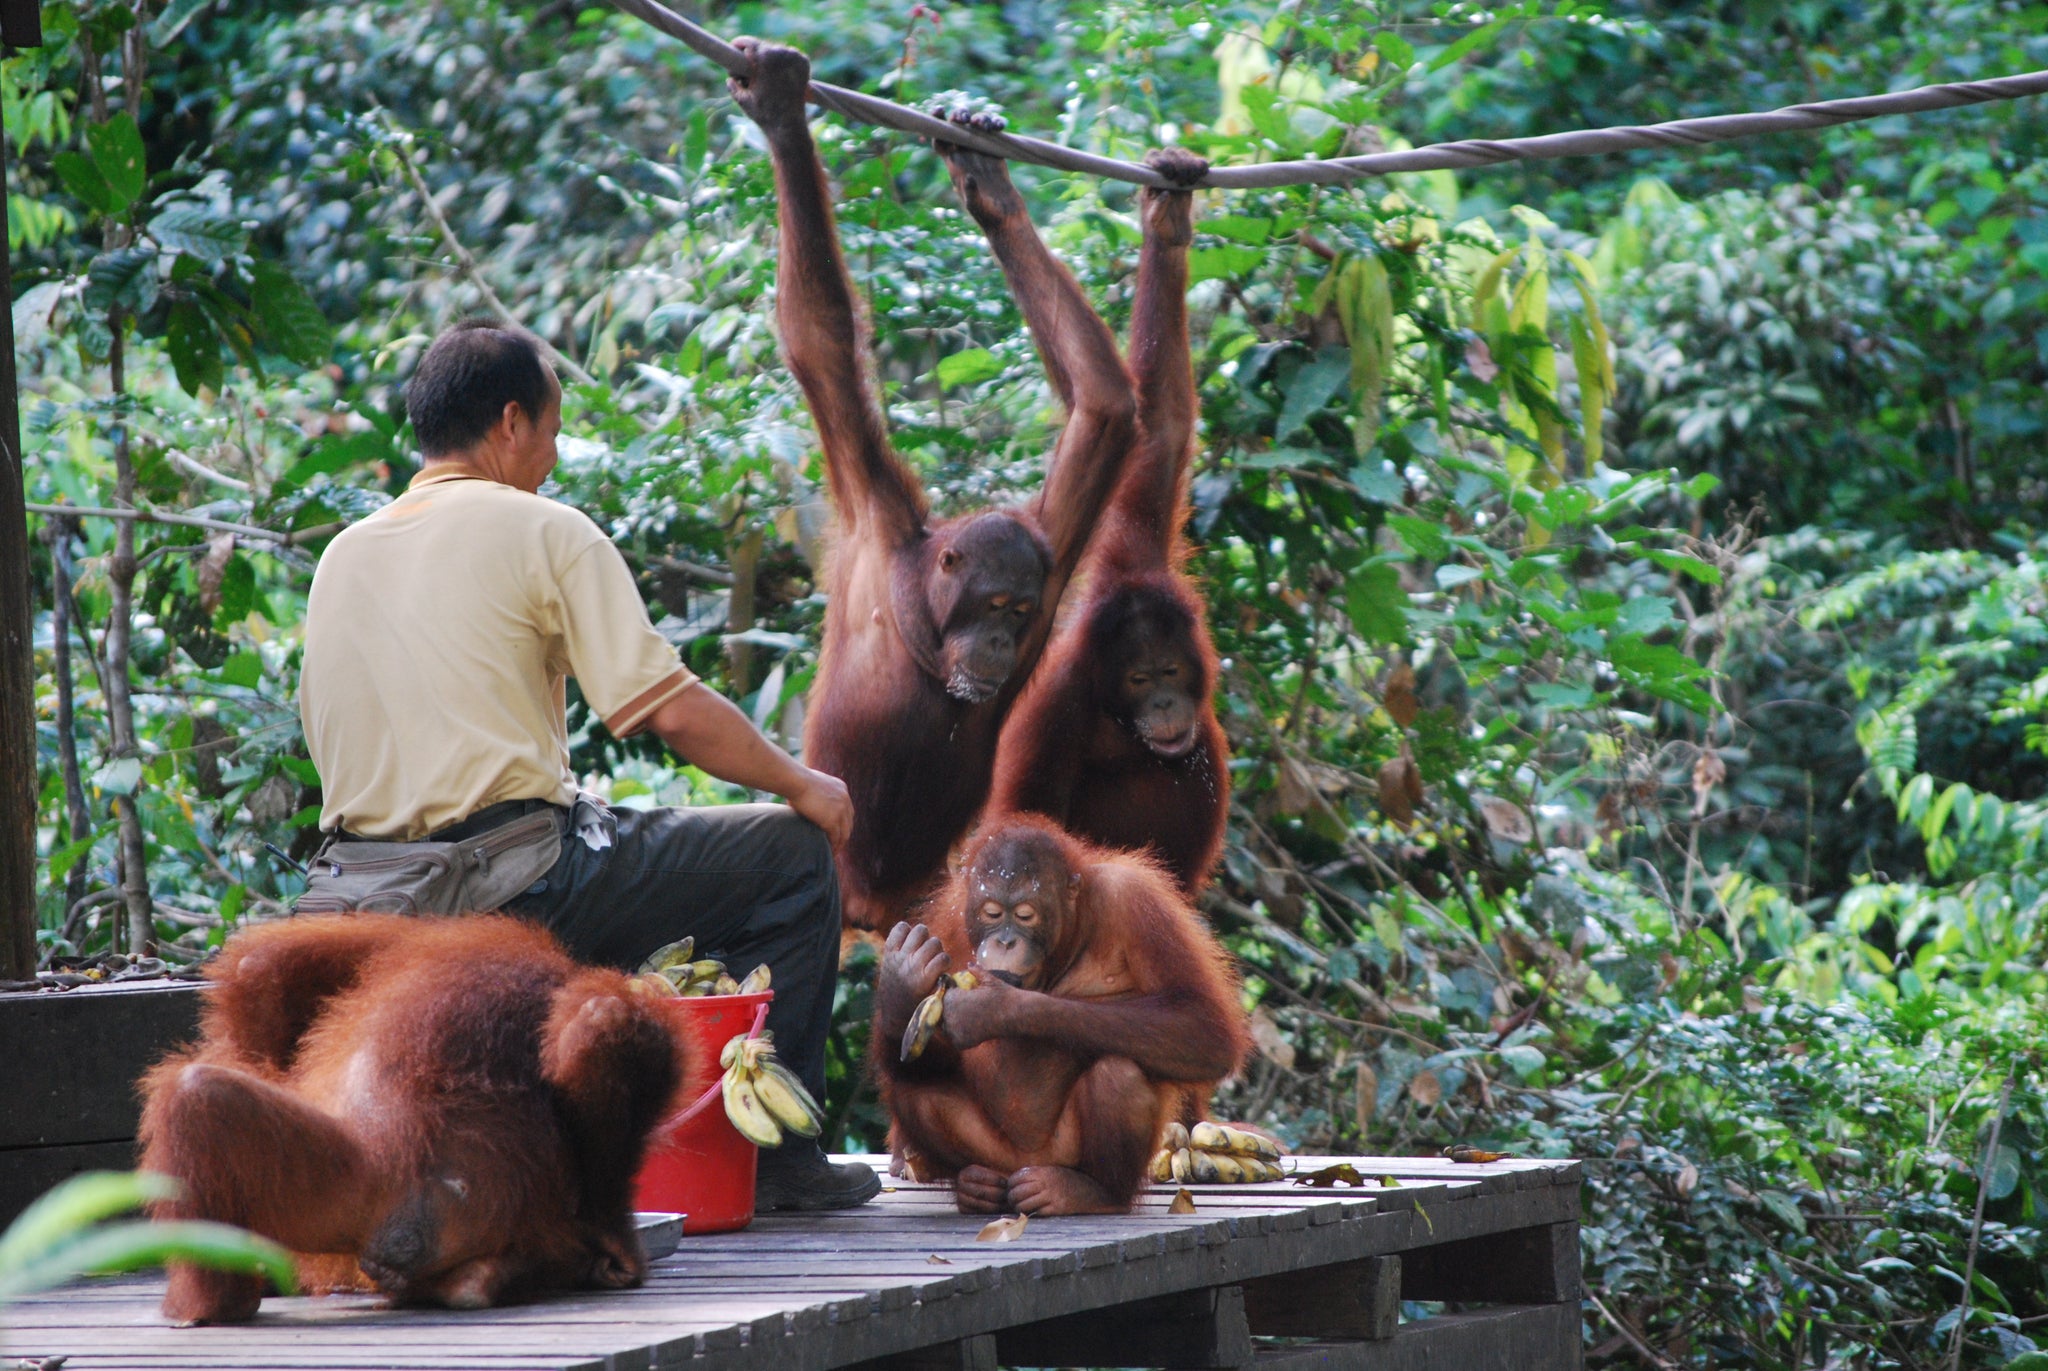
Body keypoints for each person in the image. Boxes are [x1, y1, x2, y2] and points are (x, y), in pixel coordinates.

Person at [297, 319, 877, 1211]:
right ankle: (780, 1163)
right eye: (555, 432)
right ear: (510, 421)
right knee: (790, 856)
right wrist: (804, 784)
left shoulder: (343, 553)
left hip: (360, 888)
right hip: (515, 879)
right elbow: (669, 710)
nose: (556, 459)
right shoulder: (544, 529)